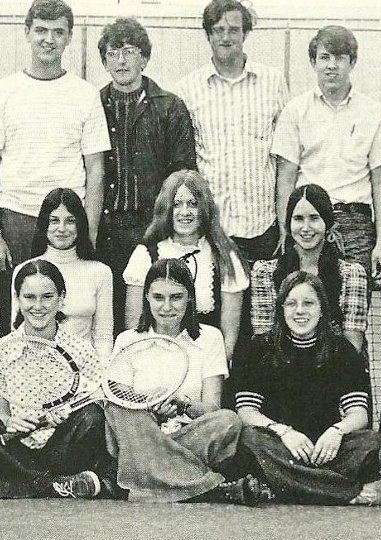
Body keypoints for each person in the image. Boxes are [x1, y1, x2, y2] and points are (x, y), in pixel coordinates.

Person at [0, 0, 110, 336]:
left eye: (58, 32)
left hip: (67, 221)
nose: (49, 39)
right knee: (16, 321)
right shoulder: (2, 91)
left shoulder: (85, 94)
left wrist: (90, 232)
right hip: (16, 220)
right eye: (41, 30)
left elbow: (95, 170)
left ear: (69, 37)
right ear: (27, 33)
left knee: (70, 315)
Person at [104, 258, 259, 504]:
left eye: (176, 297)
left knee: (228, 421)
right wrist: (149, 405)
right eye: (158, 297)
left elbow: (212, 408)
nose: (167, 307)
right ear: (146, 297)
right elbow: (119, 397)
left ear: (190, 298)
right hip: (142, 429)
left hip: (186, 434)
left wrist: (182, 404)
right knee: (116, 408)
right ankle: (209, 488)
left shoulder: (210, 338)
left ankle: (145, 475)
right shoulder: (127, 340)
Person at [233, 271, 381, 506]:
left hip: (325, 450)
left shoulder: (342, 350)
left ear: (322, 309)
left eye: (308, 303)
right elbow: (246, 411)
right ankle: (351, 493)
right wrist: (284, 432)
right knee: (250, 439)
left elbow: (359, 413)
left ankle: (287, 486)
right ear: (281, 309)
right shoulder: (259, 348)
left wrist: (337, 431)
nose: (300, 311)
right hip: (280, 446)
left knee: (372, 441)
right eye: (291, 304)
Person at [0, 260, 110, 499]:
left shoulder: (81, 350)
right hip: (14, 450)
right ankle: (52, 485)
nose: (38, 306)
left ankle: (10, 482)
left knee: (93, 415)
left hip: (61, 450)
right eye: (29, 297)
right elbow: (1, 413)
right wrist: (11, 421)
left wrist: (65, 416)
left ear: (61, 299)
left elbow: (91, 407)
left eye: (47, 297)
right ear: (18, 299)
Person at [271, 26, 381, 284]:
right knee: (306, 297)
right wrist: (286, 230)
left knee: (353, 300)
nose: (332, 66)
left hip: (355, 224)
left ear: (352, 62)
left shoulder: (372, 112)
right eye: (324, 57)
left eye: (340, 58)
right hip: (308, 221)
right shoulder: (295, 110)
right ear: (313, 62)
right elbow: (285, 177)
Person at [96, 17, 196, 332]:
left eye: (129, 51)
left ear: (145, 58)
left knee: (152, 315)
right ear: (104, 62)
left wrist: (166, 227)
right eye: (113, 53)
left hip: (152, 230)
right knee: (109, 316)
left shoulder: (170, 107)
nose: (121, 61)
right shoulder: (93, 105)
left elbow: (183, 175)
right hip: (105, 232)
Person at [176, 0, 288, 264]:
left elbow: (285, 158)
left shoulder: (273, 82)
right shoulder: (188, 88)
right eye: (218, 30)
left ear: (245, 33)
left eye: (234, 30)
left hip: (264, 228)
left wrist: (284, 223)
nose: (226, 37)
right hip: (212, 229)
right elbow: (185, 163)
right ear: (208, 35)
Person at [123, 170, 247, 360]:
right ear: (166, 209)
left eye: (193, 204)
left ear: (204, 209)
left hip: (206, 360)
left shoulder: (225, 257)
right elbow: (133, 327)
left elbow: (228, 341)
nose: (185, 212)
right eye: (177, 204)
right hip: (155, 359)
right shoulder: (145, 255)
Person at [251, 184, 369, 352]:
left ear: (327, 223)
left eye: (314, 218)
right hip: (281, 363)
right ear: (289, 225)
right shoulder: (265, 273)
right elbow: (263, 341)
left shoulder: (352, 274)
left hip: (334, 363)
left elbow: (352, 346)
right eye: (298, 219)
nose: (306, 228)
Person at [11, 188, 114, 357]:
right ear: (44, 224)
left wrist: (99, 370)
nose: (62, 228)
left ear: (80, 224)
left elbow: (103, 336)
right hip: (35, 366)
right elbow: (17, 332)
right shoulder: (24, 270)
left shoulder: (100, 272)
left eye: (70, 221)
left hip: (85, 366)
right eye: (54, 220)